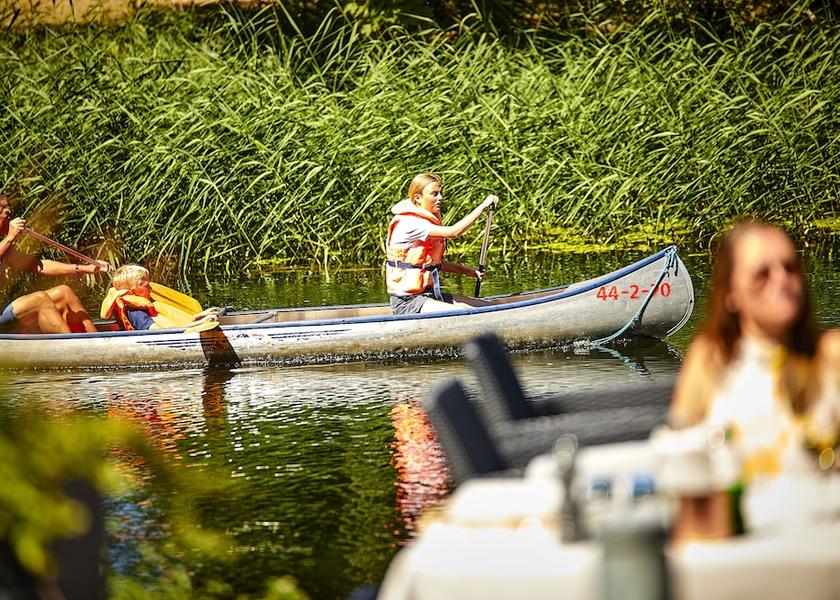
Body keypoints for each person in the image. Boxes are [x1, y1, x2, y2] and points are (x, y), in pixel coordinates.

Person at [669, 221, 840, 533]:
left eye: (790, 267)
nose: (782, 280)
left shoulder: (831, 355)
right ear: (732, 294)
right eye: (762, 273)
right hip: (744, 547)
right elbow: (681, 475)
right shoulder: (709, 359)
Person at [385, 173, 498, 315]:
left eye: (440, 193)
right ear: (418, 198)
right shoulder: (410, 223)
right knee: (469, 314)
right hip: (408, 301)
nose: (440, 198)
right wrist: (482, 206)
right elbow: (453, 232)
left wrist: (469, 272)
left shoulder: (424, 220)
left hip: (428, 295)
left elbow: (431, 264)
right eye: (434, 194)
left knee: (488, 307)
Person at [0, 194, 109, 334]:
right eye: (7, 214)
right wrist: (10, 237)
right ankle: (71, 349)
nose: (11, 219)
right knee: (39, 300)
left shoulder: (6, 249)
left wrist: (85, 268)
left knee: (64, 292)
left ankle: (96, 344)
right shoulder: (5, 244)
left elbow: (39, 265)